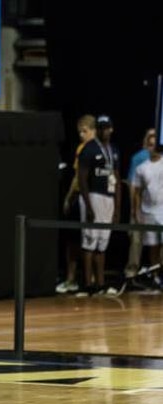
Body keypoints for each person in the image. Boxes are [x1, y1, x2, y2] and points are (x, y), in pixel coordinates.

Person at [77, 114, 121, 296]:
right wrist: (88, 206)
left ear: (111, 129)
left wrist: (117, 209)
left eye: (107, 127)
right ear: (98, 129)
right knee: (89, 241)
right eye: (101, 128)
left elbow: (117, 180)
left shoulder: (114, 150)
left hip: (108, 198)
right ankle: (88, 284)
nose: (105, 131)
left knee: (103, 242)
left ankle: (101, 283)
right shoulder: (89, 148)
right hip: (93, 196)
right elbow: (82, 179)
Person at [56, 115, 97, 294]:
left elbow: (78, 179)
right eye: (79, 132)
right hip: (85, 199)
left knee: (87, 242)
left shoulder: (92, 149)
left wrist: (68, 198)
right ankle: (75, 279)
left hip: (87, 200)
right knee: (76, 240)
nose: (81, 135)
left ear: (94, 130)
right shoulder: (84, 148)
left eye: (85, 131)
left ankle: (87, 280)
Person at [123, 128, 157, 278]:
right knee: (136, 240)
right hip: (140, 206)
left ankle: (155, 273)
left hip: (157, 208)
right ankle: (131, 271)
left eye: (155, 137)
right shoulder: (138, 158)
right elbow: (132, 186)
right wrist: (133, 209)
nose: (152, 140)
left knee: (156, 242)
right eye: (150, 136)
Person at [131, 136, 163, 290]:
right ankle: (155, 276)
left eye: (155, 145)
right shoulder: (141, 168)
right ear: (147, 147)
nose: (153, 148)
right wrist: (136, 212)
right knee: (153, 247)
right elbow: (136, 192)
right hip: (148, 212)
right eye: (150, 145)